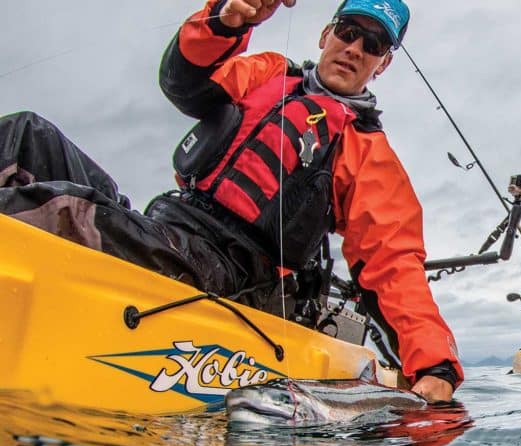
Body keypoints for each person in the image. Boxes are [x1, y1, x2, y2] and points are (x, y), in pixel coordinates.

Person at [0, 0, 462, 402]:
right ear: (327, 35)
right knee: (24, 133)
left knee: (64, 211)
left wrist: (435, 367)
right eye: (349, 32)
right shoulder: (268, 72)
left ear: (382, 65)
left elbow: (394, 262)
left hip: (234, 270)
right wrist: (224, 22)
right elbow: (185, 83)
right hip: (169, 226)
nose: (355, 48)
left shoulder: (368, 153)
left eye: (374, 45)